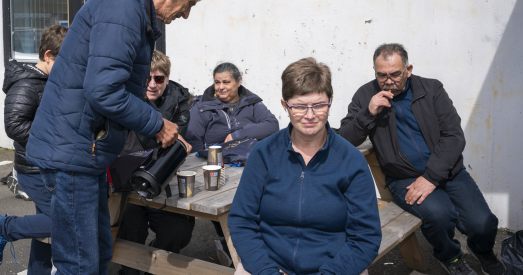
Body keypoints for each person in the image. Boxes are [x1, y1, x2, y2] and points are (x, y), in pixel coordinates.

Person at [21, 0, 213, 275]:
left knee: (97, 251)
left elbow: (122, 93)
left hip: (84, 151)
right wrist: (158, 123)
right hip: (74, 152)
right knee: (81, 261)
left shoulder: (132, 10)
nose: (187, 14)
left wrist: (159, 129)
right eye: (189, 3)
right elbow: (104, 91)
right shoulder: (124, 9)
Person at [339, 43, 504, 275]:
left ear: (409, 69)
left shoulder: (431, 88)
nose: (388, 81)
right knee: (439, 216)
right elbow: (346, 138)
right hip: (403, 177)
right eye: (381, 75)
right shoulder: (366, 94)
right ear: (375, 72)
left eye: (395, 74)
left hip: (448, 172)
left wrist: (431, 177)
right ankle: (451, 258)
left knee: (483, 223)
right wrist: (368, 113)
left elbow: (454, 136)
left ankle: (484, 252)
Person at [228, 57, 381, 275]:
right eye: (299, 106)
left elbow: (365, 237)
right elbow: (242, 221)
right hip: (269, 266)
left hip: (336, 268)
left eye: (318, 105)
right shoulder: (263, 154)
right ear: (285, 105)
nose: (310, 115)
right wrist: (266, 270)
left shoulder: (351, 160)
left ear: (330, 101)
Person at [0, 24, 67, 273]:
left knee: (44, 232)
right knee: (60, 222)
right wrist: (57, 141)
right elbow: (15, 126)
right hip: (33, 170)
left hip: (49, 166)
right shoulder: (26, 84)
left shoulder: (49, 80)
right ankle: (2, 227)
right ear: (48, 56)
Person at [185, 61, 279, 266]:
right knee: (228, 208)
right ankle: (231, 251)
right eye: (217, 82)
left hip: (249, 165)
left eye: (226, 82)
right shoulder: (202, 108)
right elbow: (193, 145)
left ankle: (260, 251)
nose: (221, 87)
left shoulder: (252, 103)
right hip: (216, 168)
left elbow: (272, 125)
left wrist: (237, 135)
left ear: (238, 82)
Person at [116, 50, 194, 275]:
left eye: (158, 79)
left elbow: (179, 142)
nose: (152, 84)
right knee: (131, 233)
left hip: (160, 179)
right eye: (146, 78)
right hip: (124, 181)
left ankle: (153, 267)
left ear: (167, 79)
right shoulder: (124, 97)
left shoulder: (179, 98)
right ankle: (129, 270)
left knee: (178, 232)